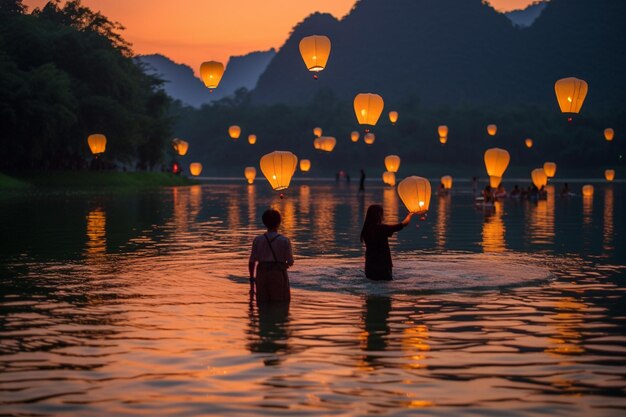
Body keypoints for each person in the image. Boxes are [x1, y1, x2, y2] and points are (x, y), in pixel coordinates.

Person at [249, 209, 294, 303]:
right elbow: (290, 261)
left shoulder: (258, 240)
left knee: (262, 304)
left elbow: (252, 262)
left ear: (264, 223)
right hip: (278, 275)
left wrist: (252, 283)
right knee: (280, 303)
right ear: (279, 222)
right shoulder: (284, 240)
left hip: (261, 275)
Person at [360, 204, 415, 281]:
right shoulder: (382, 229)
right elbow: (403, 224)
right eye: (382, 213)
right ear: (379, 214)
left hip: (370, 267)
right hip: (383, 267)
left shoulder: (365, 230)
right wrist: (410, 215)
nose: (383, 216)